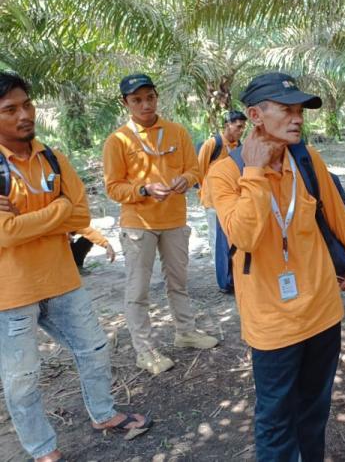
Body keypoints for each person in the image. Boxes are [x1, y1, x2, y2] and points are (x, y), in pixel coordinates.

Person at [207, 72, 345, 461]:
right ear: (255, 115)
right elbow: (245, 235)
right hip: (271, 323)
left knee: (314, 411)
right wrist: (254, 172)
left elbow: (336, 214)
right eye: (287, 110)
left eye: (300, 111)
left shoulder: (306, 158)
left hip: (322, 309)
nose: (298, 118)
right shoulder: (224, 174)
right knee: (276, 419)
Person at [0, 72, 152, 462]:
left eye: (27, 104)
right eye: (10, 109)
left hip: (61, 279)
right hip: (10, 292)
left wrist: (40, 218)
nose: (25, 115)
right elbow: (6, 234)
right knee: (23, 379)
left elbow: (81, 212)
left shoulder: (51, 156)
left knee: (95, 349)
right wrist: (58, 210)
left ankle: (103, 414)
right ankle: (41, 449)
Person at [103, 73, 218, 376]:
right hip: (138, 225)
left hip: (174, 221)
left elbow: (194, 170)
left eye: (149, 97)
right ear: (125, 103)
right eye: (137, 99)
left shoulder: (177, 132)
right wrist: (143, 190)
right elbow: (113, 187)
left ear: (156, 97)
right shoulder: (118, 140)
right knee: (138, 290)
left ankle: (185, 332)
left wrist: (187, 179)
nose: (145, 104)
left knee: (178, 282)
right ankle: (145, 350)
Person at [197, 110, 247, 292]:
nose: (241, 130)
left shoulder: (239, 146)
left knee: (232, 238)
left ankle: (232, 274)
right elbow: (199, 170)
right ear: (227, 124)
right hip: (212, 201)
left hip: (233, 199)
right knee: (216, 239)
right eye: (238, 126)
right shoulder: (213, 144)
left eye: (243, 127)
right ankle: (222, 279)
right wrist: (204, 193)